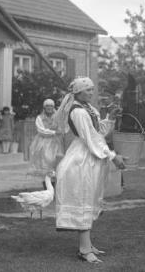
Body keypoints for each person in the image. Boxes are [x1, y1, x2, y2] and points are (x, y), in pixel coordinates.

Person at [55, 76, 126, 264]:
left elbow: (99, 132)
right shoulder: (77, 111)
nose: (91, 92)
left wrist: (109, 118)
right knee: (84, 199)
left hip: (91, 158)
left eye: (92, 89)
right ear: (78, 91)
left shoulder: (90, 109)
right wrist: (112, 155)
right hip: (81, 160)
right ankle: (84, 250)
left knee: (90, 198)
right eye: (88, 90)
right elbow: (90, 138)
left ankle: (86, 244)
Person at [28, 99, 63, 186]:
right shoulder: (40, 118)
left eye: (51, 106)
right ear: (44, 107)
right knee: (46, 164)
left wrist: (59, 132)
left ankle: (56, 187)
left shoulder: (58, 117)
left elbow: (62, 127)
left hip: (57, 143)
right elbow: (41, 130)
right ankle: (47, 186)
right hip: (44, 143)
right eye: (47, 106)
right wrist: (53, 132)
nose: (49, 108)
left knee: (57, 163)